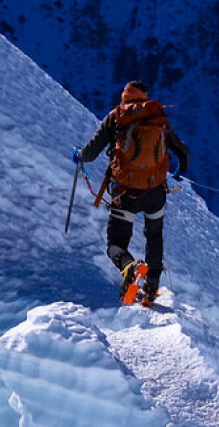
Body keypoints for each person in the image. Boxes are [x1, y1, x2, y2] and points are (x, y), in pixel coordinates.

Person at [74, 81, 189, 306]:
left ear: (124, 97)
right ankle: (151, 287)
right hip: (155, 192)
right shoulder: (156, 116)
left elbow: (91, 152)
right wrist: (179, 170)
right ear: (144, 96)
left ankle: (129, 265)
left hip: (125, 193)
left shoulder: (116, 117)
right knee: (154, 234)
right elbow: (183, 151)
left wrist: (79, 156)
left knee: (115, 242)